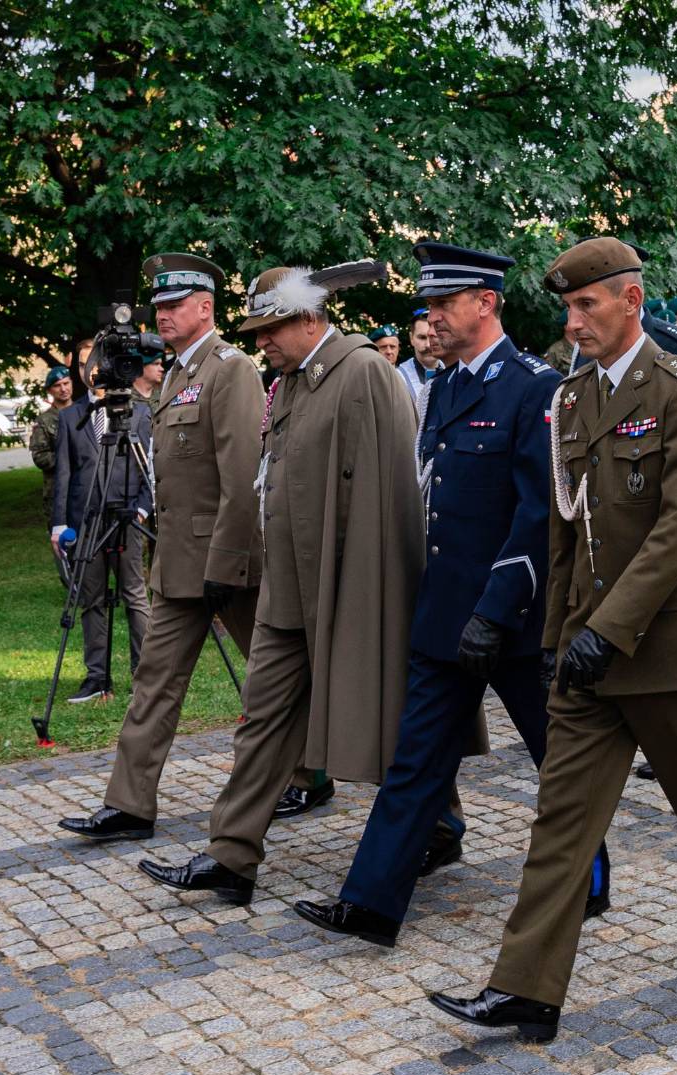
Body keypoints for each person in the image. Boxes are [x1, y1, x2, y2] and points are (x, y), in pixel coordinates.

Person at [428, 238, 677, 1043]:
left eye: (586, 305)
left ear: (631, 300)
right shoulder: (572, 397)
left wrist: (608, 631)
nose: (572, 322)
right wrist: (556, 634)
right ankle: (525, 988)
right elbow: (563, 531)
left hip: (669, 650)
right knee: (560, 822)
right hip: (586, 654)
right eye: (567, 307)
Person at [292, 241, 609, 949]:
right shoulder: (447, 386)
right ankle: (371, 904)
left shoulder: (533, 387)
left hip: (512, 619)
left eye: (443, 302)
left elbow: (538, 513)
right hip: (445, 616)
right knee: (416, 761)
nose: (431, 316)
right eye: (429, 304)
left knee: (558, 760)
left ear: (485, 303)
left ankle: (588, 881)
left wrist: (495, 611)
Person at [135, 260, 423, 905]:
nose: (261, 341)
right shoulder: (289, 381)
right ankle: (231, 856)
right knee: (262, 716)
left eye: (272, 328)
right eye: (257, 331)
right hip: (287, 586)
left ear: (310, 318)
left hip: (349, 587)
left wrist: (372, 589)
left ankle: (438, 824)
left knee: (381, 710)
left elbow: (392, 496)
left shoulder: (364, 372)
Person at [58, 252, 264, 841]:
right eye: (160, 305)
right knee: (154, 681)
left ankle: (310, 772)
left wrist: (230, 561)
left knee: (273, 675)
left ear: (206, 308)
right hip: (177, 562)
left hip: (226, 560)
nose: (163, 314)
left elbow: (241, 477)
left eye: (175, 304)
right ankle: (128, 805)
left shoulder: (230, 369)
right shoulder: (173, 374)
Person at [50, 385, 154, 703]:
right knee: (91, 598)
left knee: (134, 595)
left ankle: (145, 675)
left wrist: (142, 508)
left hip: (126, 516)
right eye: (87, 365)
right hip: (86, 520)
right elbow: (63, 472)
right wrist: (59, 523)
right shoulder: (70, 416)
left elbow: (151, 466)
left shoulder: (139, 412)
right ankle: (96, 676)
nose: (96, 371)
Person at [29, 366, 73, 513]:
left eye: (66, 383)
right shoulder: (44, 421)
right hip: (58, 491)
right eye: (57, 385)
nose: (63, 389)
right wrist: (67, 457)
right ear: (49, 391)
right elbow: (39, 457)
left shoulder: (85, 413)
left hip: (86, 488)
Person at [396, 310, 443, 399]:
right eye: (422, 337)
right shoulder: (399, 378)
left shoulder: (454, 372)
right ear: (411, 338)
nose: (428, 345)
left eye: (433, 336)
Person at [542, 310, 576, 375]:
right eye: (575, 322)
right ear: (566, 326)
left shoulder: (585, 348)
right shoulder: (554, 350)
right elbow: (546, 376)